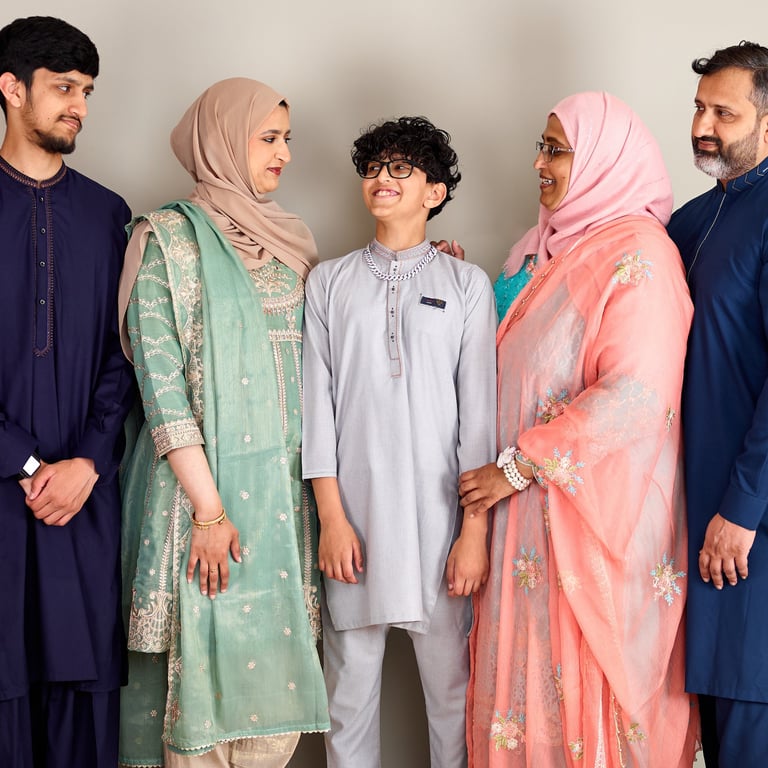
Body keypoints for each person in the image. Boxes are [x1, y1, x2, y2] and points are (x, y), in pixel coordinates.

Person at [461, 92, 699, 767]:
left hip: (586, 523)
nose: (539, 163)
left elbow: (637, 396)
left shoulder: (640, 257)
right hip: (520, 523)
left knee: (582, 697)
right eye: (541, 147)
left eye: (557, 150)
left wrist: (518, 465)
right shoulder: (534, 252)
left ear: (603, 159)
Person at [117, 78, 328, 768]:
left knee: (269, 713)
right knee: (194, 710)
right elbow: (162, 388)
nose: (284, 154)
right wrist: (209, 512)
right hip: (193, 503)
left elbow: (334, 351)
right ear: (222, 141)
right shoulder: (166, 240)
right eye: (268, 138)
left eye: (286, 138)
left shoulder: (292, 244)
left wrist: (423, 262)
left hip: (281, 500)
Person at [301, 116, 496, 767]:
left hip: (441, 530)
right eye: (373, 168)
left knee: (453, 704)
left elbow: (479, 420)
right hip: (354, 526)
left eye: (400, 169)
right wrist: (332, 520)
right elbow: (316, 411)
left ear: (434, 192)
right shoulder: (329, 281)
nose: (381, 179)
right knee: (347, 705)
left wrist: (474, 534)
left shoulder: (466, 285)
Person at [0, 15, 134, 768]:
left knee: (83, 694)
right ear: (12, 88)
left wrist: (86, 461)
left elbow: (126, 352)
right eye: (62, 88)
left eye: (86, 90)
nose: (79, 105)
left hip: (83, 498)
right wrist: (26, 463)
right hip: (6, 498)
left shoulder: (108, 213)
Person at [667, 41, 768, 768]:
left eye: (723, 113)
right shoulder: (688, 220)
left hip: (747, 525)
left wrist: (742, 508)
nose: (703, 126)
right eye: (699, 108)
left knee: (749, 718)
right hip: (685, 517)